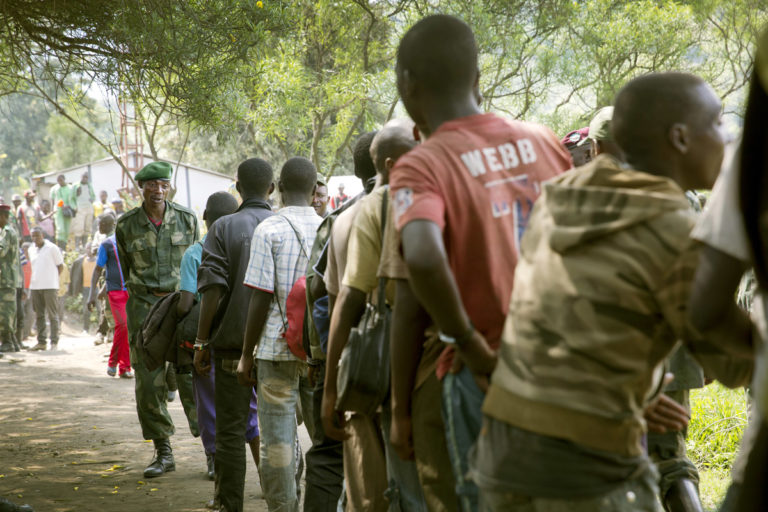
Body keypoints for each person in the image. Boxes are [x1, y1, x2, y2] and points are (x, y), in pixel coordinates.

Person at [470, 72, 755, 511]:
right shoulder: (675, 230)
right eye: (717, 123)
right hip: (586, 465)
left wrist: (639, 390)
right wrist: (739, 217)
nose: (728, 136)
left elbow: (576, 319)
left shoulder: (560, 197)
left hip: (505, 446)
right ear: (680, 138)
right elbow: (736, 363)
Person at [389, 15, 573, 512]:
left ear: (408, 85)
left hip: (487, 374)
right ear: (477, 76)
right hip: (568, 364)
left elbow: (424, 258)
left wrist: (468, 342)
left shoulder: (422, 164)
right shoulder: (542, 141)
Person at [588, 103, 705, 510]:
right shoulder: (680, 191)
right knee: (664, 455)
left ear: (596, 148)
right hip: (678, 347)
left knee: (657, 461)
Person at [322, 118, 426, 512]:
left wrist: (330, 385)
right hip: (413, 366)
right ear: (387, 164)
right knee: (413, 487)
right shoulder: (408, 204)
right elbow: (344, 301)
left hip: (363, 369)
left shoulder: (343, 219)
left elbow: (335, 308)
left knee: (368, 489)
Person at [237, 156, 322, 511]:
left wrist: (246, 355)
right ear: (315, 188)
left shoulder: (269, 230)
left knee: (278, 447)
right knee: (328, 442)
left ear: (280, 189)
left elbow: (260, 296)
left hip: (276, 350)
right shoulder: (330, 227)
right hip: (321, 353)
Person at [303, 131, 378, 512]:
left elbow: (315, 291)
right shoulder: (421, 204)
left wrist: (319, 358)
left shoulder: (340, 218)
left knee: (330, 452)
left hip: (346, 357)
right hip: (401, 355)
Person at [193, 158, 275, 512]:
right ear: (271, 188)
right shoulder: (284, 224)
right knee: (281, 429)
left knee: (230, 432)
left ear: (237, 187)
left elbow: (211, 287)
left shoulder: (223, 227)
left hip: (230, 348)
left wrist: (201, 341)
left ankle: (230, 505)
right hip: (283, 350)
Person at [115, 161, 200, 478]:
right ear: (142, 188)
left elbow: (197, 262)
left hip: (182, 305)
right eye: (152, 185)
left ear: (169, 187)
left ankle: (212, 451)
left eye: (163, 184)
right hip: (144, 307)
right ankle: (163, 452)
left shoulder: (188, 219)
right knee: (148, 382)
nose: (158, 190)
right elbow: (127, 268)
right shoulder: (126, 226)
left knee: (194, 376)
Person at [88, 214, 132, 378]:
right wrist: (91, 294)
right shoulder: (106, 245)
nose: (99, 227)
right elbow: (98, 270)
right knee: (123, 325)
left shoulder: (130, 242)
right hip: (115, 291)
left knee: (128, 329)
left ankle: (122, 367)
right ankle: (118, 364)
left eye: (102, 224)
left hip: (132, 291)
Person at [28, 227, 64, 351]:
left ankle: (54, 342)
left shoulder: (52, 248)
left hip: (50, 286)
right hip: (35, 286)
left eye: (37, 236)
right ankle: (41, 342)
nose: (35, 239)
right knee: (39, 315)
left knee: (52, 315)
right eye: (33, 236)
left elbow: (60, 266)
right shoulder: (31, 249)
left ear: (42, 235)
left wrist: (52, 278)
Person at [0, 204, 20, 353]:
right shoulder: (10, 230)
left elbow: (1, 251)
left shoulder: (6, 232)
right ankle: (12, 341)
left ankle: (7, 342)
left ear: (3, 216)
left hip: (5, 278)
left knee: (5, 311)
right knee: (9, 310)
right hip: (8, 278)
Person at [50, 174, 75, 250]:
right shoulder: (54, 188)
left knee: (67, 231)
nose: (60, 182)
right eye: (58, 181)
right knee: (60, 230)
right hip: (58, 211)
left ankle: (65, 248)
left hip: (67, 211)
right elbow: (52, 200)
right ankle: (60, 248)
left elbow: (73, 200)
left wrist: (70, 206)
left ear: (64, 179)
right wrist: (52, 211)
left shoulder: (70, 188)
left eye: (61, 180)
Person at [72, 172, 96, 250]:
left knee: (87, 227)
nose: (84, 178)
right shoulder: (76, 186)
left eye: (86, 177)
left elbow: (93, 196)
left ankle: (84, 245)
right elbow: (71, 198)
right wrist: (74, 207)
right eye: (83, 177)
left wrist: (92, 199)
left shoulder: (89, 186)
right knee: (79, 227)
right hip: (80, 208)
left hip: (89, 208)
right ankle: (77, 246)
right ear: (81, 177)